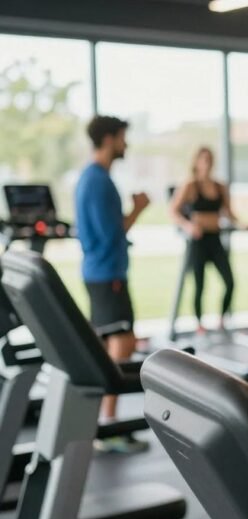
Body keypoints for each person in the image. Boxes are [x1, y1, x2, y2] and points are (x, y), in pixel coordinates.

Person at [75, 115, 151, 454]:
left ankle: (102, 421)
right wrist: (138, 209)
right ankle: (108, 425)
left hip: (101, 272)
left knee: (111, 343)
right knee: (122, 343)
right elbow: (111, 233)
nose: (125, 144)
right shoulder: (99, 181)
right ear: (108, 139)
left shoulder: (92, 177)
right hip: (107, 274)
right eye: (122, 137)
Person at [170, 147, 248, 333]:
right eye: (203, 159)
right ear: (197, 161)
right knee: (200, 285)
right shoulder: (190, 185)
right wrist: (188, 226)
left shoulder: (219, 187)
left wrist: (244, 225)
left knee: (230, 281)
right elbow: (173, 211)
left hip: (215, 239)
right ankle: (199, 324)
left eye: (210, 159)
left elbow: (230, 214)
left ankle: (222, 320)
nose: (207, 162)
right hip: (198, 240)